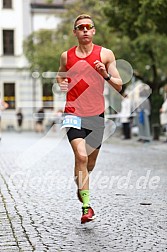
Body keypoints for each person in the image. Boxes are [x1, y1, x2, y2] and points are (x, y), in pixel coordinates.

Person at [56, 14, 122, 224]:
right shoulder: (67, 56)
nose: (85, 30)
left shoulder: (105, 54)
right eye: (80, 27)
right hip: (72, 112)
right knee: (81, 157)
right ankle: (87, 207)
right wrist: (61, 83)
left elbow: (119, 85)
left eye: (88, 27)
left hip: (96, 115)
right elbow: (60, 74)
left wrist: (106, 75)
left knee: (89, 163)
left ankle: (81, 185)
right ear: (75, 32)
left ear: (93, 31)